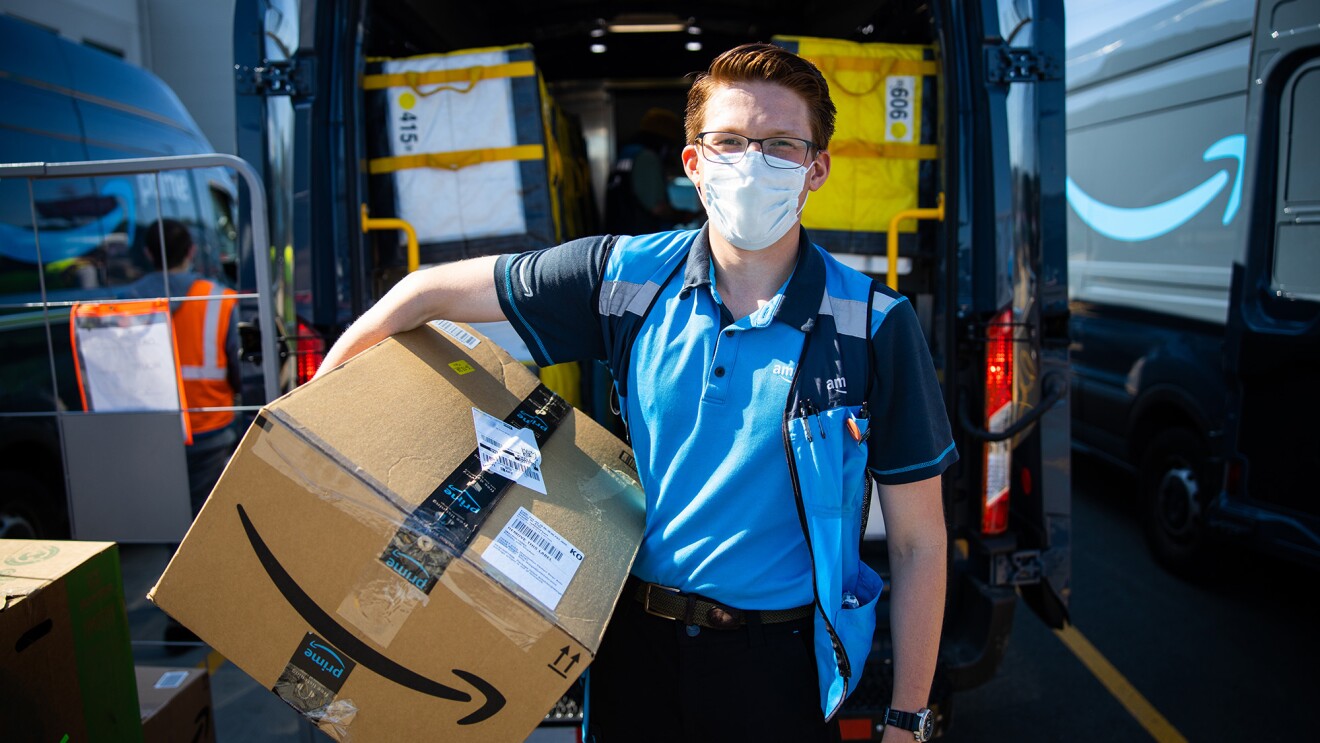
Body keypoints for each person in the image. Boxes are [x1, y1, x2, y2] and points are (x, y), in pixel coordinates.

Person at [318, 43, 955, 743]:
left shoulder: (873, 325)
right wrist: (312, 419)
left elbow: (919, 543)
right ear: (693, 163)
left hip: (778, 666)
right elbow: (422, 293)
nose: (752, 162)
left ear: (816, 169)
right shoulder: (626, 278)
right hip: (632, 651)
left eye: (780, 145)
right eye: (731, 141)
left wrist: (906, 717)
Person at [126, 218, 241, 518]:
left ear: (150, 254)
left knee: (168, 520)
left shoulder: (126, 302)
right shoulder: (219, 299)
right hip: (210, 430)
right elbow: (239, 370)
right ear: (191, 251)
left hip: (151, 433)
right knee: (207, 523)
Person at [604, 106, 700, 234]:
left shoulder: (627, 153)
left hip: (621, 236)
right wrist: (684, 215)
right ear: (665, 142)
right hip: (641, 237)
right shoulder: (647, 158)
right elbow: (658, 209)